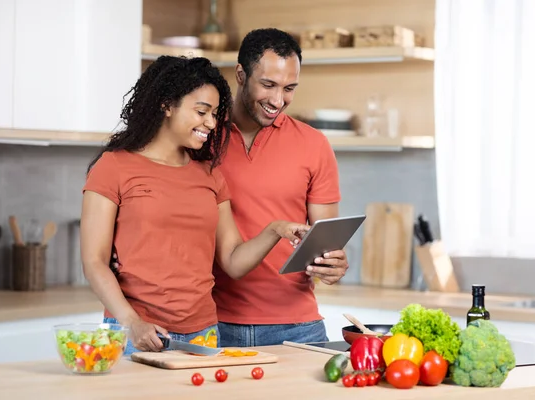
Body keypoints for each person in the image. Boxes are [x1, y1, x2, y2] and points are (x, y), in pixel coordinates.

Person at [80, 55, 310, 355]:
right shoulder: (113, 167)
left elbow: (232, 261)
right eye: (202, 111)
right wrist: (131, 322)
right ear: (167, 105)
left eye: (215, 113)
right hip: (136, 334)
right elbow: (94, 261)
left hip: (203, 334)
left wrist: (275, 230)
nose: (211, 123)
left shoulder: (210, 175)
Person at [212, 28, 350, 347]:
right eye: (268, 85)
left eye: (289, 88)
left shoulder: (314, 145)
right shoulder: (202, 137)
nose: (278, 100)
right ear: (240, 75)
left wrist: (334, 264)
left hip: (297, 327)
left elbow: (324, 240)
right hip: (212, 323)